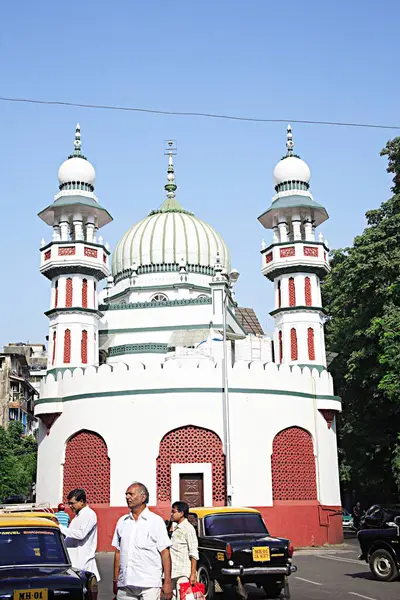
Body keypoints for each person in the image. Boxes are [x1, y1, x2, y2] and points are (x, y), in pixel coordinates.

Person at [112, 482, 173, 600]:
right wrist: (115, 580)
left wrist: (167, 582)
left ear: (143, 497)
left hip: (149, 585)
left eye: (131, 494)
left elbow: (165, 553)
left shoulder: (156, 521)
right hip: (125, 585)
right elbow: (118, 552)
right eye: (126, 494)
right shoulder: (122, 522)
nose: (127, 497)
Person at [59, 488, 100, 581]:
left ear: (81, 501)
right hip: (74, 564)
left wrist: (60, 527)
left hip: (83, 565)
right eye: (69, 503)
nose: (70, 506)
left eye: (72, 503)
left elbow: (81, 534)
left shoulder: (89, 514)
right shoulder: (78, 516)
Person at [170, 501, 198, 598]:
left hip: (183, 574)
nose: (171, 514)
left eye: (173, 512)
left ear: (181, 513)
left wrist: (193, 574)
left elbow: (193, 552)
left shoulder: (188, 529)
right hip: (173, 572)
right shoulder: (176, 528)